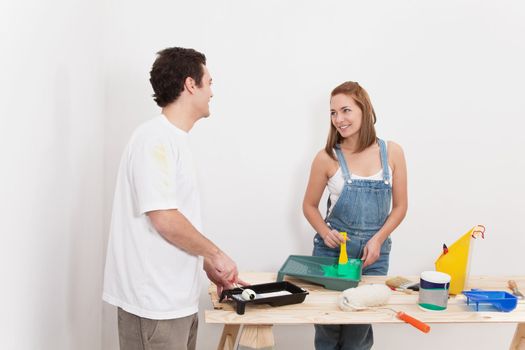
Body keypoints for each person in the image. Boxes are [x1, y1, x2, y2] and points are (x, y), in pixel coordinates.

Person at [103, 47, 243, 350]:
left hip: (175, 302)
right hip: (153, 306)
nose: (212, 92)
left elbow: (176, 218)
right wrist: (216, 254)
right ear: (190, 84)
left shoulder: (172, 140)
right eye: (209, 82)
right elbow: (164, 218)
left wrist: (206, 261)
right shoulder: (154, 139)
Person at [302, 81, 408, 350]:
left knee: (358, 331)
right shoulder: (327, 157)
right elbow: (309, 206)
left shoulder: (392, 152)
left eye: (345, 110)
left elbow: (400, 207)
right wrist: (325, 233)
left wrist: (378, 240)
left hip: (374, 255)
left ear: (364, 109)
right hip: (332, 253)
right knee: (328, 327)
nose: (339, 119)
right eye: (333, 113)